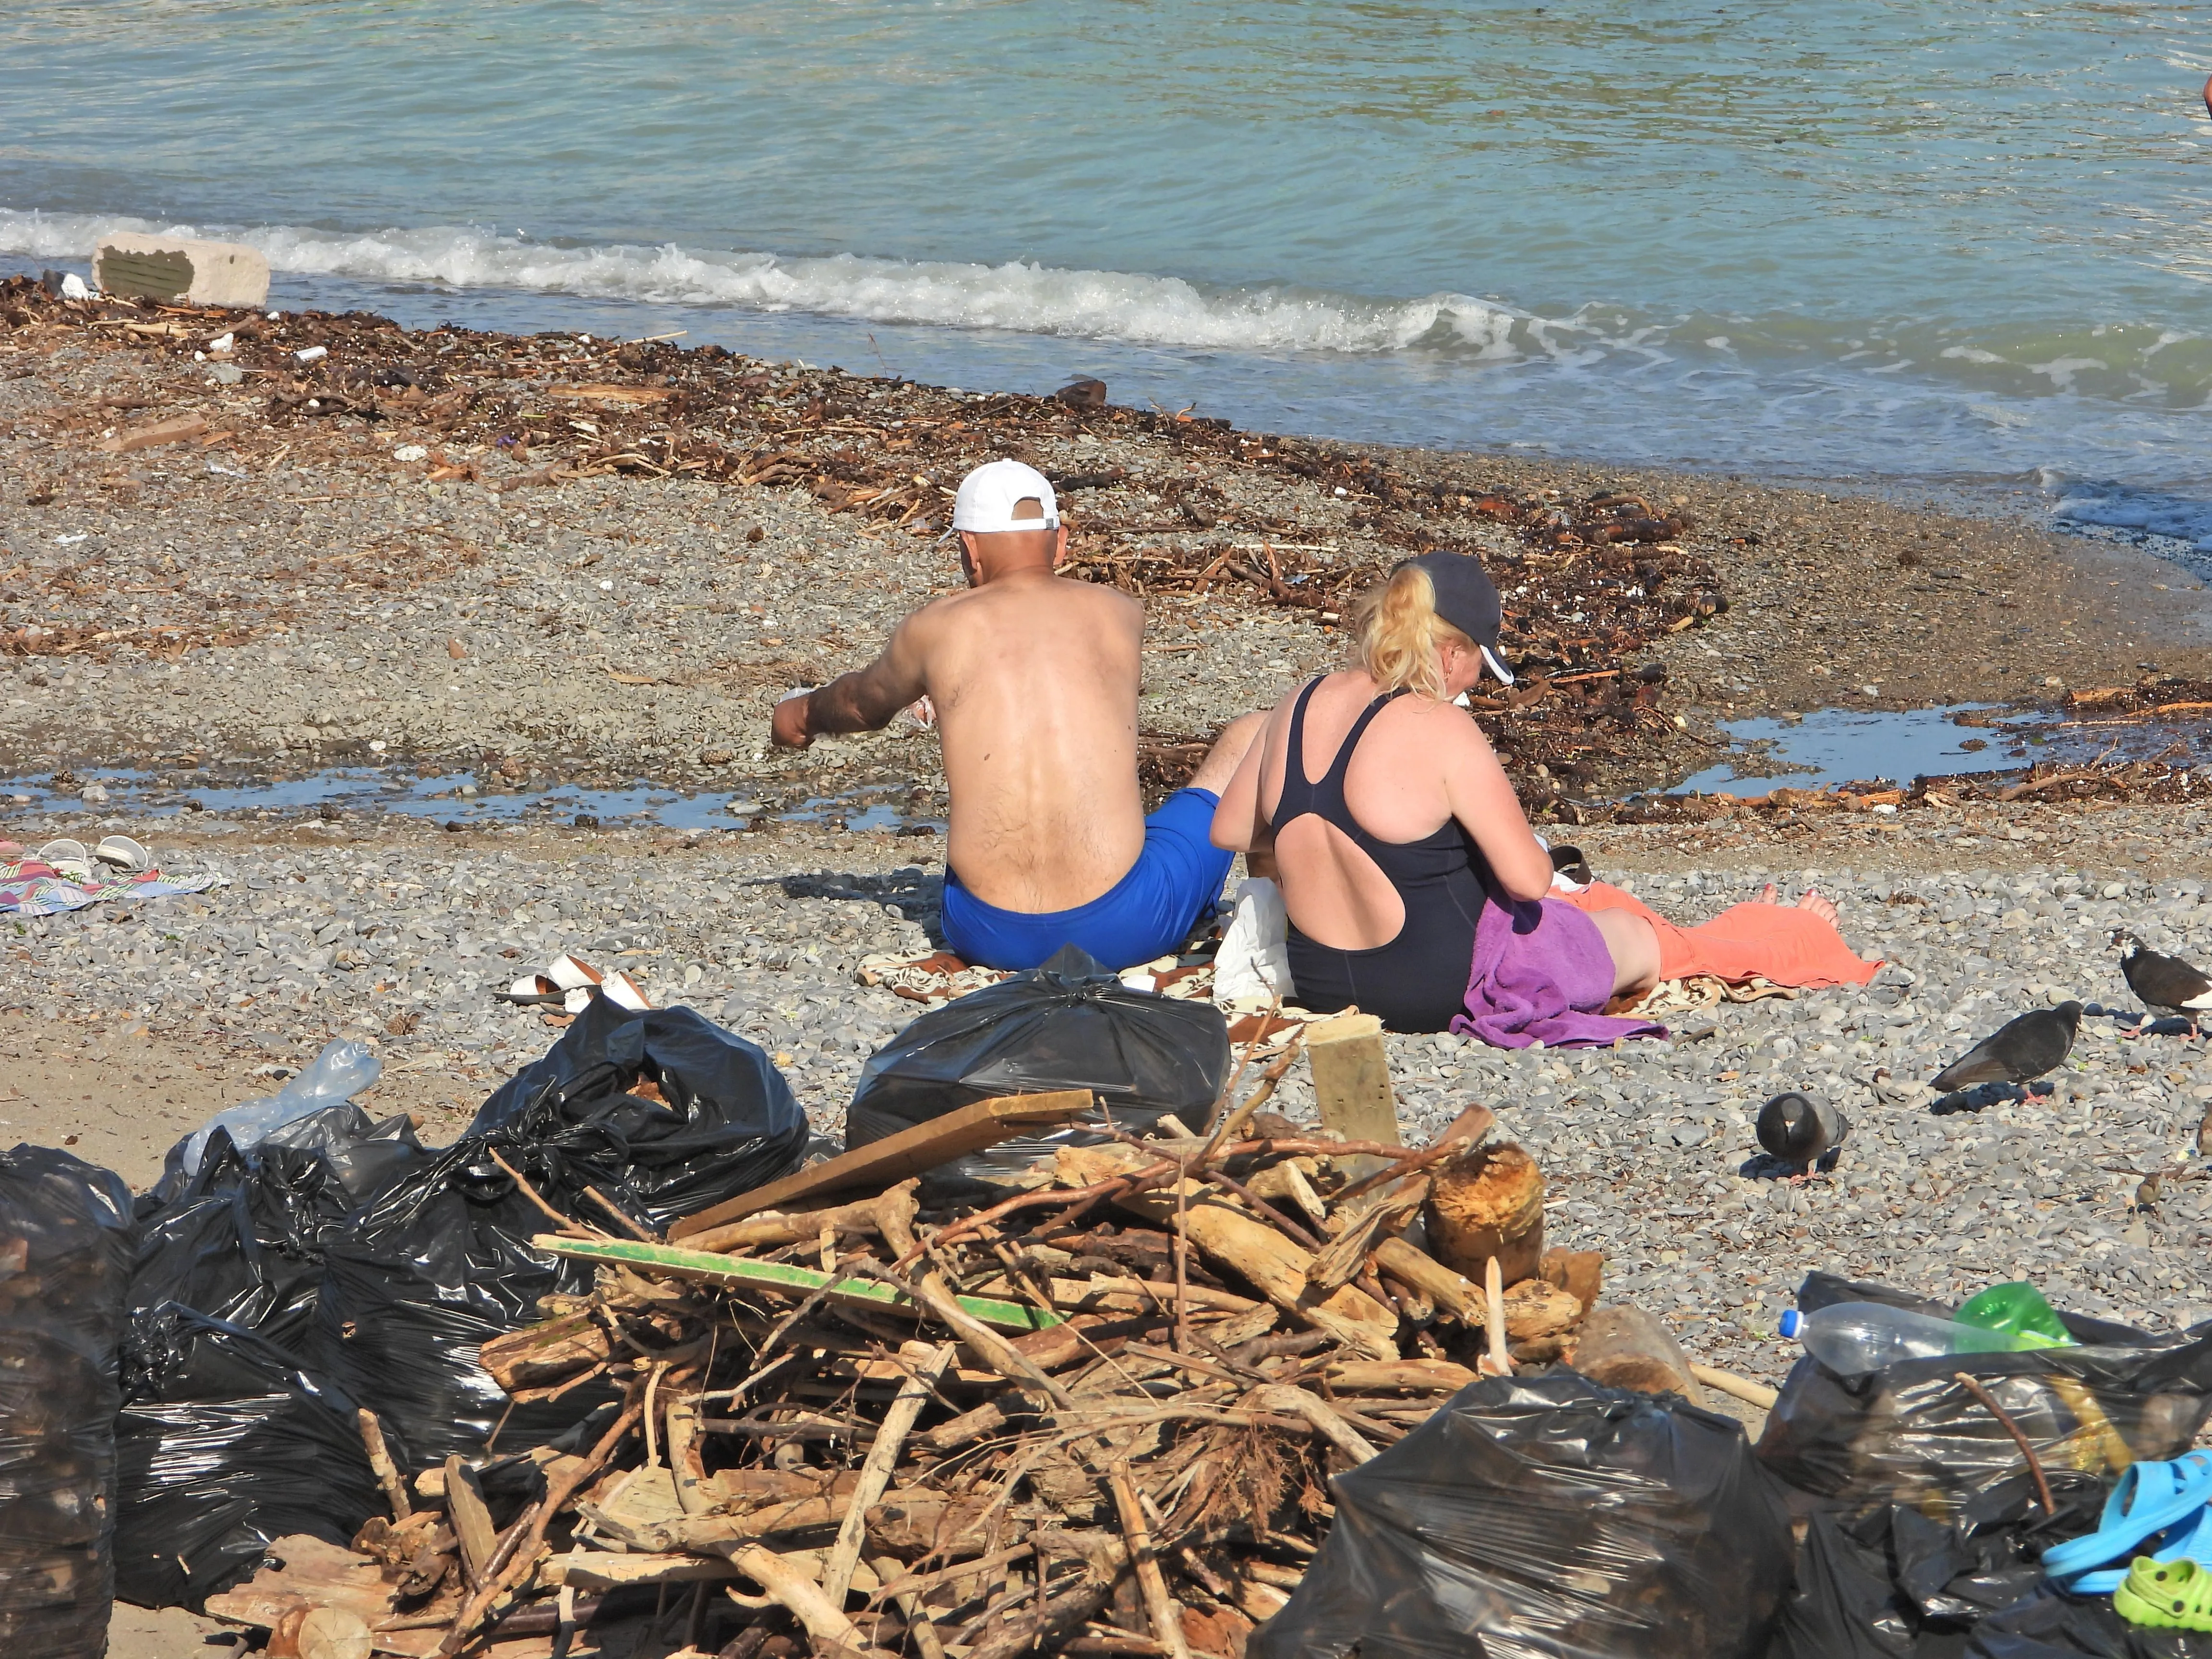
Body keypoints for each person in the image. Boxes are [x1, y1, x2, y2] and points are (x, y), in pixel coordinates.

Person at [1210, 552, 1876, 1039]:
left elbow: (1233, 830)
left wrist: (1301, 856)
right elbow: (1528, 880)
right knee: (1628, 935)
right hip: (1428, 992)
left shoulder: (1298, 702)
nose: (1473, 683)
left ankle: (1754, 929)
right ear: (1450, 655)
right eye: (1479, 666)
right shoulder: (1440, 724)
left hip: (1326, 984)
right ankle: (1784, 936)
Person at [770, 458, 1264, 972]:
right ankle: (1270, 929)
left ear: (969, 547)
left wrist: (802, 713)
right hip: (1124, 927)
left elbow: (859, 706)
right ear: (1061, 541)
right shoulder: (1119, 612)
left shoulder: (934, 629)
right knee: (1257, 734)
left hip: (986, 931)